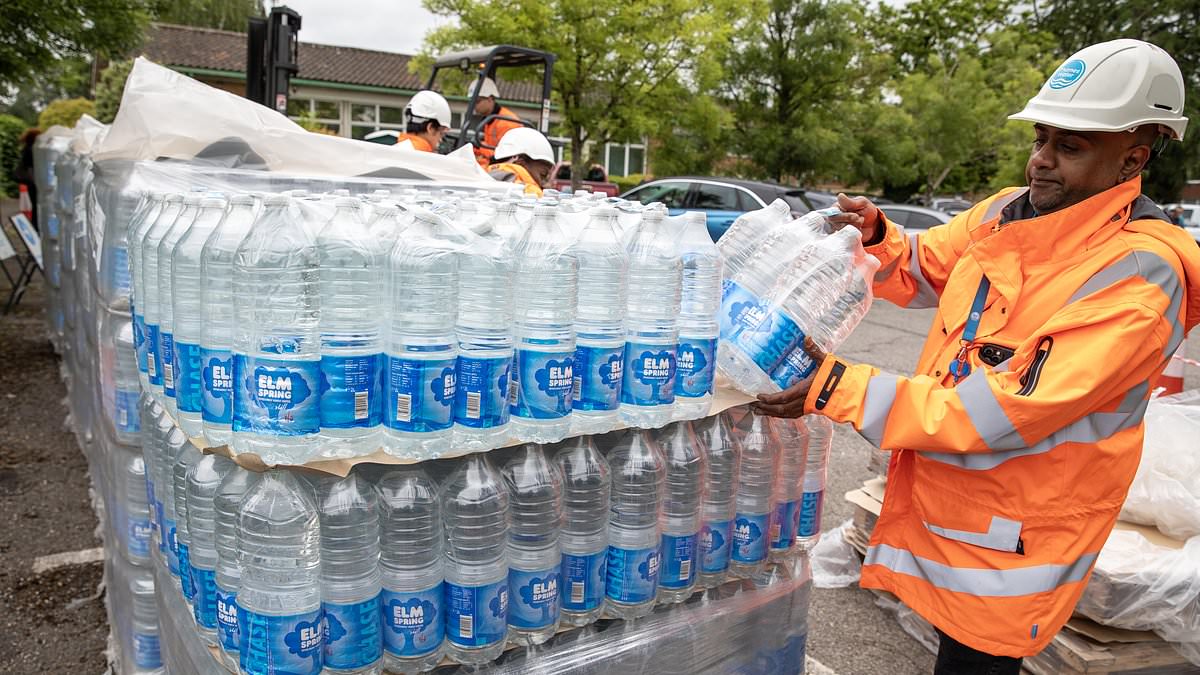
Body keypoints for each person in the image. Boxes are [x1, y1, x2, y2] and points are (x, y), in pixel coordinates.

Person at [754, 39, 1200, 673]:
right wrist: (878, 237)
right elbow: (925, 262)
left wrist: (837, 387)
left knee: (979, 660)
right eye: (1042, 138)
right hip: (956, 501)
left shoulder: (1140, 277)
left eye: (1068, 147)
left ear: (1132, 158)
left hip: (1020, 534)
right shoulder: (1007, 215)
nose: (1041, 161)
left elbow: (1002, 411)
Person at [468, 76, 524, 166]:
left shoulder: (507, 123)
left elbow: (505, 157)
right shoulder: (489, 120)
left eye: (477, 101)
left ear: (490, 99)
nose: (474, 105)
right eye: (472, 101)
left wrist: (480, 146)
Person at [487, 127, 555, 197]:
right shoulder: (529, 193)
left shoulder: (484, 179)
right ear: (520, 163)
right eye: (542, 175)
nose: (546, 185)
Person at [13, 128, 40, 230]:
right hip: (33, 181)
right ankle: (35, 226)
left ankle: (34, 225)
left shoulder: (27, 148)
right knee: (37, 205)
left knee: (34, 205)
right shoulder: (33, 149)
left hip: (30, 181)